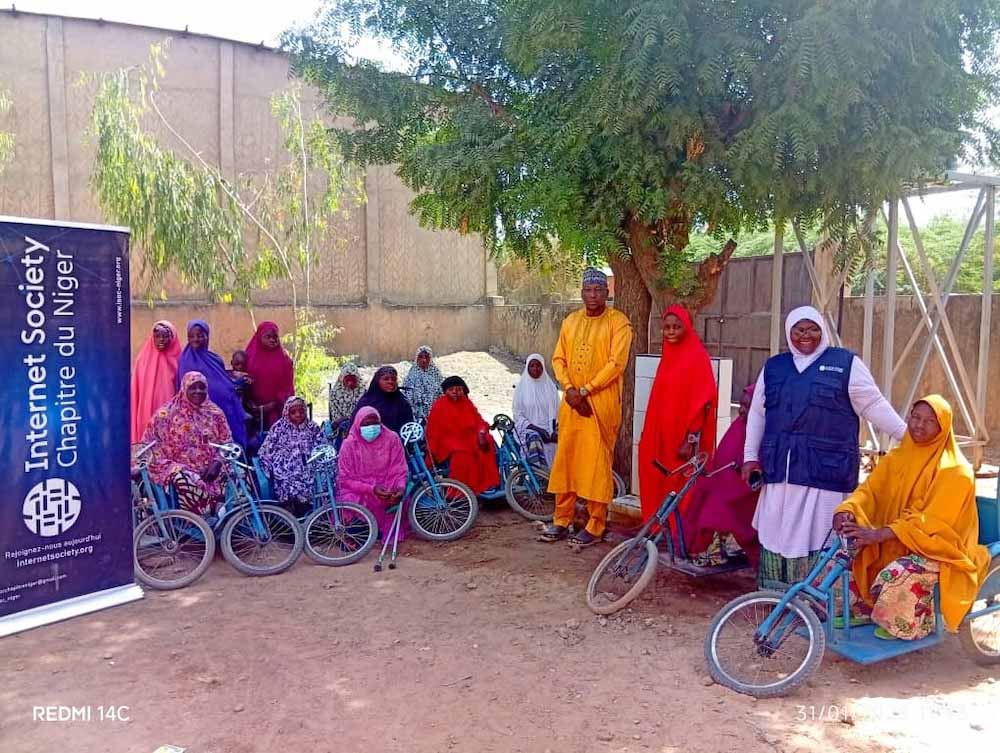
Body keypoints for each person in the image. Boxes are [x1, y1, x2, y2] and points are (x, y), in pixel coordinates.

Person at [742, 305, 906, 590]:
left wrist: (909, 436)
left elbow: (874, 405)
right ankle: (774, 597)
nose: (806, 335)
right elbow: (758, 414)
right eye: (799, 330)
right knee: (775, 533)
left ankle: (816, 601)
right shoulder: (774, 367)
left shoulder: (846, 364)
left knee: (821, 535)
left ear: (823, 331)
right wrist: (749, 457)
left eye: (813, 329)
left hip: (824, 475)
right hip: (780, 472)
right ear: (789, 333)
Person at [832, 395, 990, 640]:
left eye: (929, 421)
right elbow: (870, 491)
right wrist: (847, 510)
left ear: (943, 427)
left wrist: (878, 535)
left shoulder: (956, 470)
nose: (919, 425)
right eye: (915, 417)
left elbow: (934, 523)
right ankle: (864, 608)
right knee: (844, 554)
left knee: (899, 572)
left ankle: (906, 624)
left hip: (940, 547)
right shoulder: (896, 458)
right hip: (898, 536)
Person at [540, 267, 634, 548]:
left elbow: (616, 364)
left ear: (608, 292)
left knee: (595, 463)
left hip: (600, 404)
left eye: (598, 290)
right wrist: (569, 389)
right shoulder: (570, 321)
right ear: (581, 293)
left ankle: (596, 523)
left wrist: (585, 391)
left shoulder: (619, 323)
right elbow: (559, 359)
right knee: (566, 459)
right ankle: (561, 518)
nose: (593, 295)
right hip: (571, 402)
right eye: (588, 290)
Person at [638, 304, 718, 525]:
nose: (671, 332)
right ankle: (657, 527)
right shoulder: (669, 355)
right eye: (667, 327)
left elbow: (704, 401)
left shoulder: (696, 356)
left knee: (681, 484)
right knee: (655, 476)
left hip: (683, 439)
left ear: (687, 328)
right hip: (662, 434)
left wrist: (690, 439)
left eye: (676, 327)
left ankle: (679, 532)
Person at [680, 384, 761, 568]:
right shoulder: (739, 425)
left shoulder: (762, 430)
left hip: (746, 490)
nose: (741, 411)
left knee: (718, 506)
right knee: (702, 491)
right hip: (726, 480)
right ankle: (704, 548)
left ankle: (714, 550)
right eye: (741, 405)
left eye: (748, 407)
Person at [141, 371, 232, 516]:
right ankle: (200, 519)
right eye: (192, 387)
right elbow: (149, 446)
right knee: (183, 479)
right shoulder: (166, 414)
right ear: (184, 388)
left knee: (239, 472)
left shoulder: (215, 413)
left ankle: (231, 517)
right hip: (178, 466)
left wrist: (217, 462)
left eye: (201, 387)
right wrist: (183, 467)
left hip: (211, 467)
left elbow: (227, 443)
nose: (198, 391)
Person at [337, 406, 409, 539]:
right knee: (347, 500)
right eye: (366, 423)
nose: (372, 427)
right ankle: (359, 529)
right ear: (358, 424)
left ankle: (375, 530)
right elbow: (345, 479)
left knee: (401, 498)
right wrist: (371, 488)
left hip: (386, 489)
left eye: (375, 423)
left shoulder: (392, 439)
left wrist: (399, 488)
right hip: (360, 491)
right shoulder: (349, 444)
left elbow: (399, 469)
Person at [177, 320, 248, 446]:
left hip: (225, 409)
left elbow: (221, 379)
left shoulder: (214, 358)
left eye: (200, 335)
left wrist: (235, 384)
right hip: (202, 412)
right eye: (191, 336)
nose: (196, 339)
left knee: (230, 444)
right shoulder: (185, 360)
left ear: (207, 336)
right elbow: (187, 389)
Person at [426, 376, 501, 495]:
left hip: (468, 437)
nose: (455, 393)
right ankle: (459, 493)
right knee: (463, 455)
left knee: (487, 443)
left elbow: (478, 420)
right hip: (447, 440)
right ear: (446, 391)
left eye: (459, 389)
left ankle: (486, 485)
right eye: (452, 390)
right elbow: (434, 429)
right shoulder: (439, 405)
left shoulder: (466, 402)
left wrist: (481, 431)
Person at [257, 396, 326, 517]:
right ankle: (289, 517)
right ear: (286, 412)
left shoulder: (312, 427)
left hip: (308, 465)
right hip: (284, 468)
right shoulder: (279, 428)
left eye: (301, 411)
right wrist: (269, 469)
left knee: (316, 480)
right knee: (286, 483)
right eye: (293, 412)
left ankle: (308, 514)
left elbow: (321, 446)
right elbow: (266, 450)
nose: (298, 415)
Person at [130, 320, 182, 444]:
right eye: (157, 336)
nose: (161, 340)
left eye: (165, 336)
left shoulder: (179, 359)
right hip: (146, 410)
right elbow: (136, 389)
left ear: (172, 337)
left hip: (170, 412)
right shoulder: (142, 359)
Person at [245, 321, 295, 431]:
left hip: (277, 410)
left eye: (275, 337)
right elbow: (242, 382)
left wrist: (272, 405)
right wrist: (252, 405)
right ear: (259, 337)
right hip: (252, 410)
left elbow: (288, 388)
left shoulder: (285, 361)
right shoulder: (249, 358)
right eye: (268, 337)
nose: (272, 340)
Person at [512, 353, 561, 467]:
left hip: (550, 428)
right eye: (532, 365)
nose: (535, 368)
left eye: (538, 365)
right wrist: (538, 430)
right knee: (535, 440)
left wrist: (554, 431)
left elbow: (558, 413)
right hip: (529, 429)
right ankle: (539, 478)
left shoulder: (550, 388)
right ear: (527, 368)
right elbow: (518, 416)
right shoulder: (521, 389)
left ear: (543, 367)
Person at [352, 366, 415, 434]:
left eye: (393, 379)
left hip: (396, 442)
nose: (390, 382)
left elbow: (409, 428)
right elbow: (355, 427)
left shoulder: (402, 402)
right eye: (386, 379)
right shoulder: (366, 402)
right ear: (377, 381)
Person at [402, 345, 444, 423]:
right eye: (420, 357)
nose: (424, 360)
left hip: (435, 415)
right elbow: (406, 397)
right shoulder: (410, 377)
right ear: (416, 359)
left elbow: (442, 394)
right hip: (416, 417)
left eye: (427, 357)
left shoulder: (436, 376)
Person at [327, 363, 366, 445]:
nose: (350, 383)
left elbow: (365, 411)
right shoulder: (335, 393)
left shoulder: (363, 391)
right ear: (342, 378)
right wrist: (344, 420)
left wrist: (351, 419)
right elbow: (335, 416)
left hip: (360, 425)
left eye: (353, 380)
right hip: (341, 427)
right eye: (347, 380)